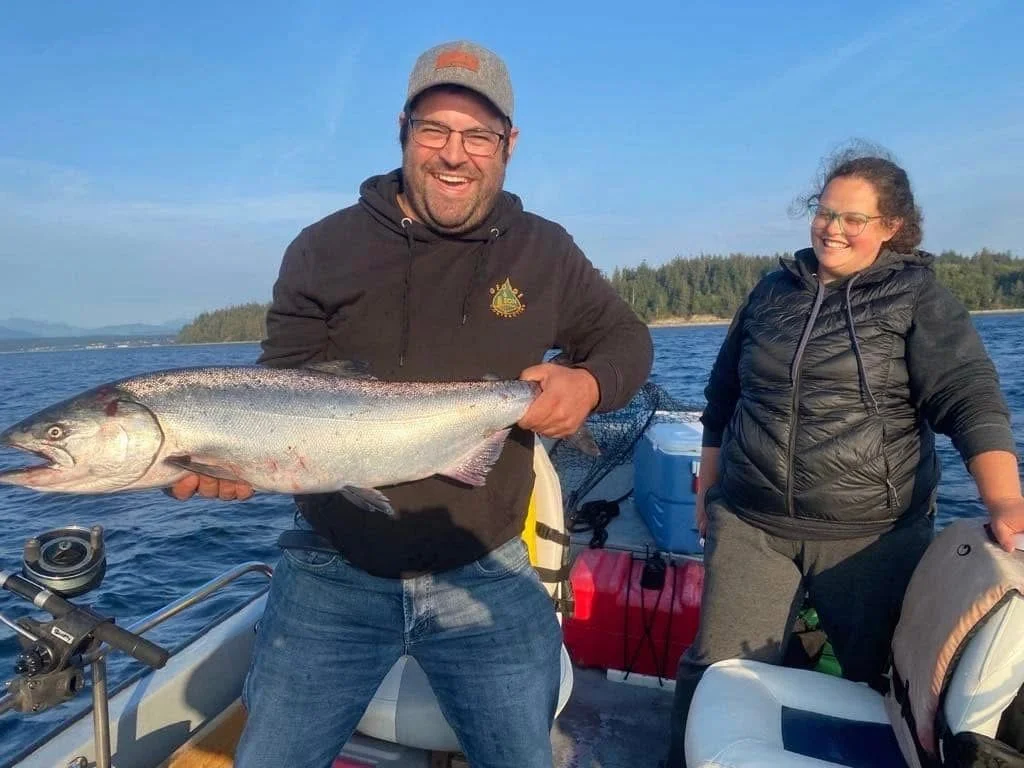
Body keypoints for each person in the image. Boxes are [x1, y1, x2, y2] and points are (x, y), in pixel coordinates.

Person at [170, 40, 654, 768]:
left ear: (509, 145)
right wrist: (241, 461)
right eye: (434, 130)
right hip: (330, 572)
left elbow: (625, 339)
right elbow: (278, 388)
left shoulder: (543, 251)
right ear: (403, 130)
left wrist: (588, 385)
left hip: (485, 569)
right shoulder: (322, 248)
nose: (453, 154)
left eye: (477, 135)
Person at [664, 144, 1024, 767]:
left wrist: (1005, 501)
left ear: (892, 228)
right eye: (824, 211)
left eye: (853, 218)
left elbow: (968, 398)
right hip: (751, 525)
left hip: (872, 537)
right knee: (716, 668)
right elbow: (722, 398)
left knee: (880, 683)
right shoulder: (772, 291)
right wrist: (707, 491)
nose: (833, 228)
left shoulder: (918, 297)